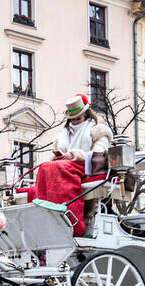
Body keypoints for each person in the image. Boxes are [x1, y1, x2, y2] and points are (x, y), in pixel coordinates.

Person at [27, 94, 113, 237]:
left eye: (78, 118)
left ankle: (73, 220)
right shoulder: (62, 135)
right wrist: (59, 156)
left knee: (57, 167)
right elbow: (54, 160)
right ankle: (45, 215)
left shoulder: (98, 130)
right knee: (45, 166)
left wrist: (75, 155)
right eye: (72, 119)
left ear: (86, 115)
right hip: (65, 165)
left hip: (86, 166)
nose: (74, 121)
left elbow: (99, 153)